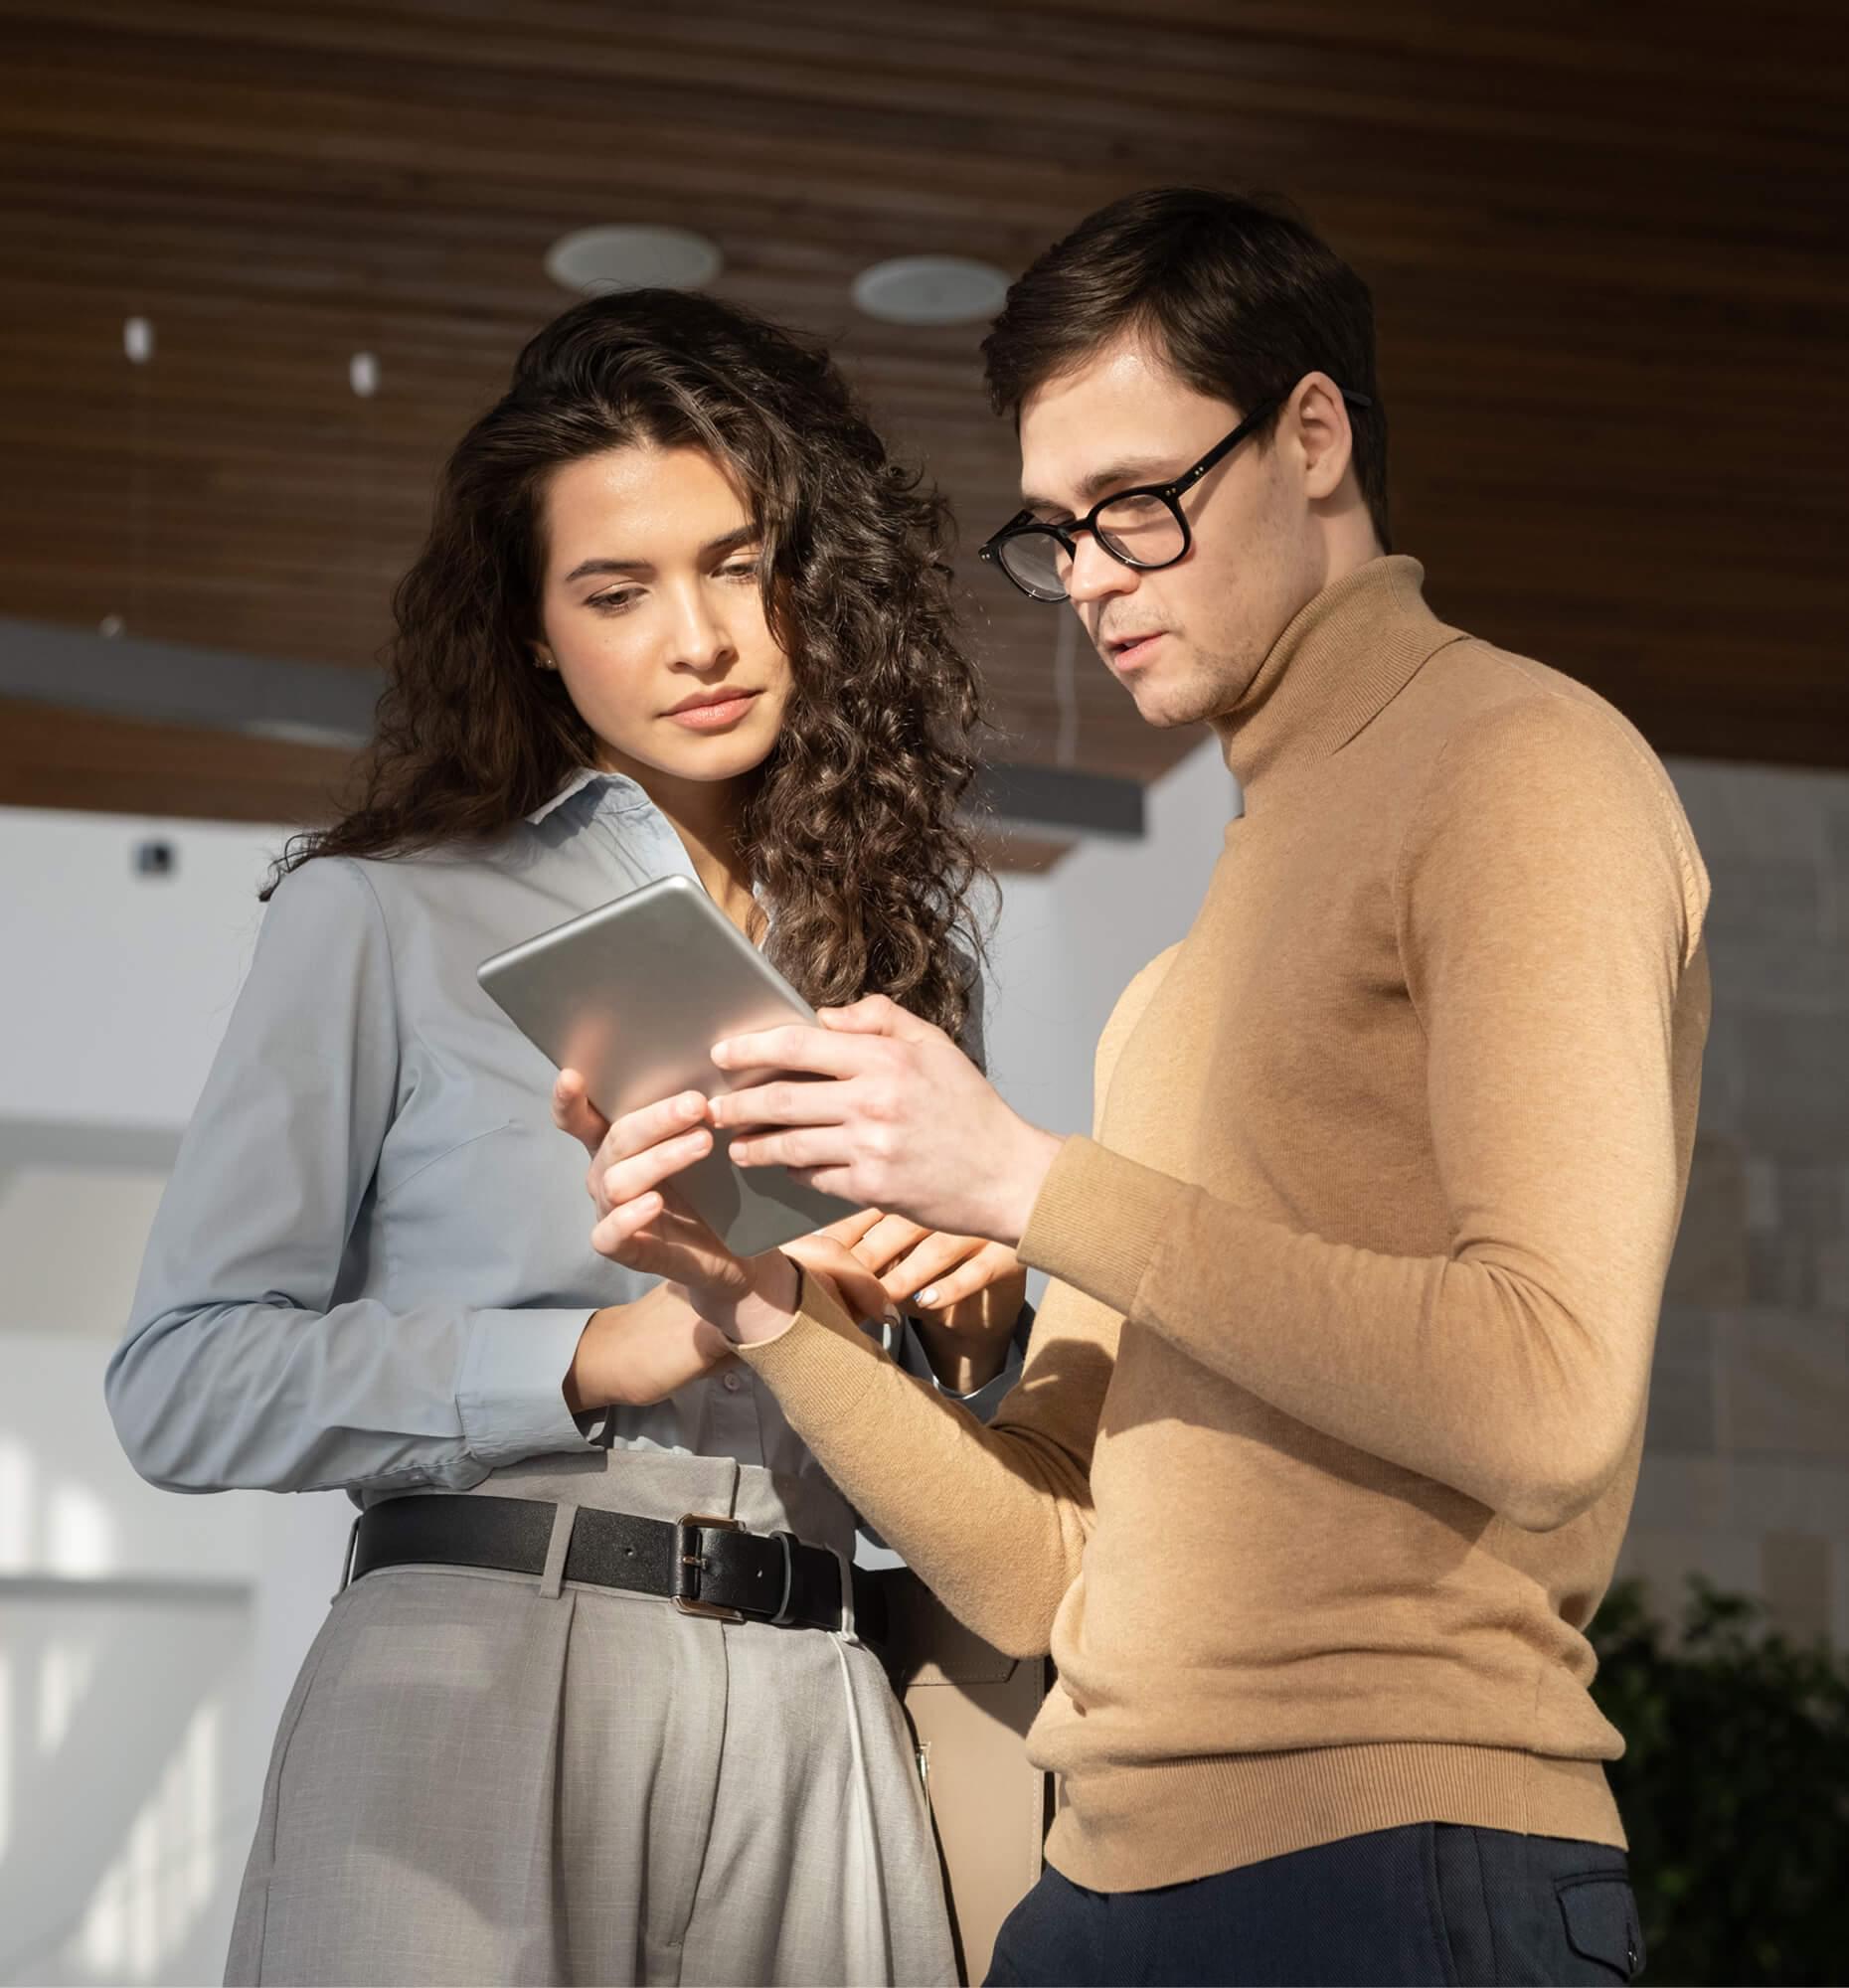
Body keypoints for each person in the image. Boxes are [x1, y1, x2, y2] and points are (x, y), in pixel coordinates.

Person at [565, 190, 1707, 1986]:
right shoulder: (1174, 992)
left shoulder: (1521, 768)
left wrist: (1030, 1187)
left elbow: (1549, 1394)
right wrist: (766, 1305)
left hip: (1396, 1870)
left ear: (1311, 437)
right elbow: (1044, 1572)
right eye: (1056, 530)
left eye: (1137, 503)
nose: (1091, 574)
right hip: (1099, 1890)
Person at [105, 285, 1030, 1988]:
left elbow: (947, 1464)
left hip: (821, 1715)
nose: (702, 640)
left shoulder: (895, 968)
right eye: (618, 592)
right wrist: (602, 1353)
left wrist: (978, 1329)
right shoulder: (383, 916)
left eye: (741, 567)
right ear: (532, 630)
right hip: (479, 1689)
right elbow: (182, 1381)